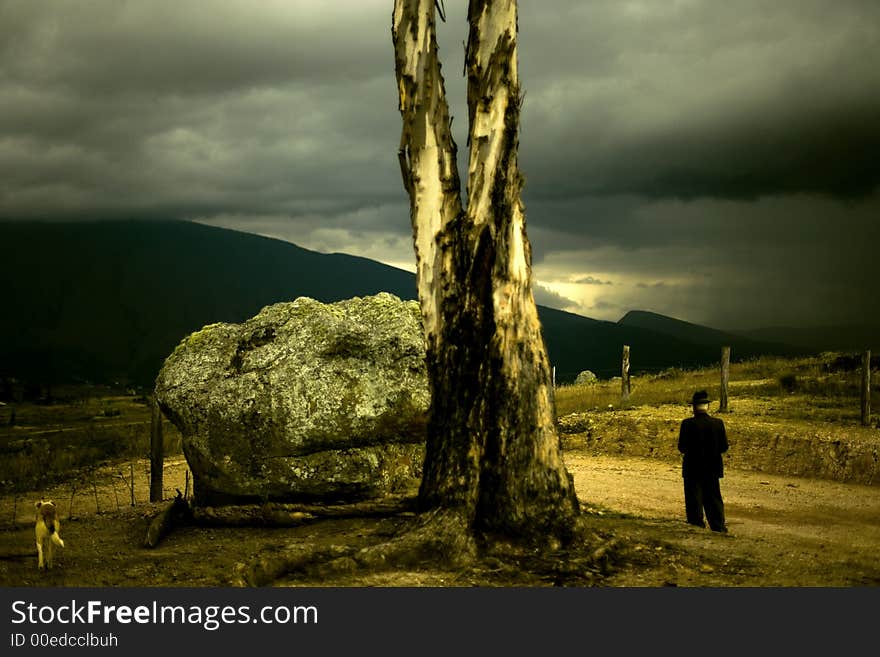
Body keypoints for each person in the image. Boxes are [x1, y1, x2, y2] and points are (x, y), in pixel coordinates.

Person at [678, 390, 729, 533]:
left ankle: (696, 525)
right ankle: (718, 526)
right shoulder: (718, 423)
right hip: (712, 467)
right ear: (707, 406)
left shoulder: (687, 424)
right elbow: (724, 447)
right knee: (713, 497)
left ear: (694, 407)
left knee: (694, 498)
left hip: (692, 467)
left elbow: (681, 447)